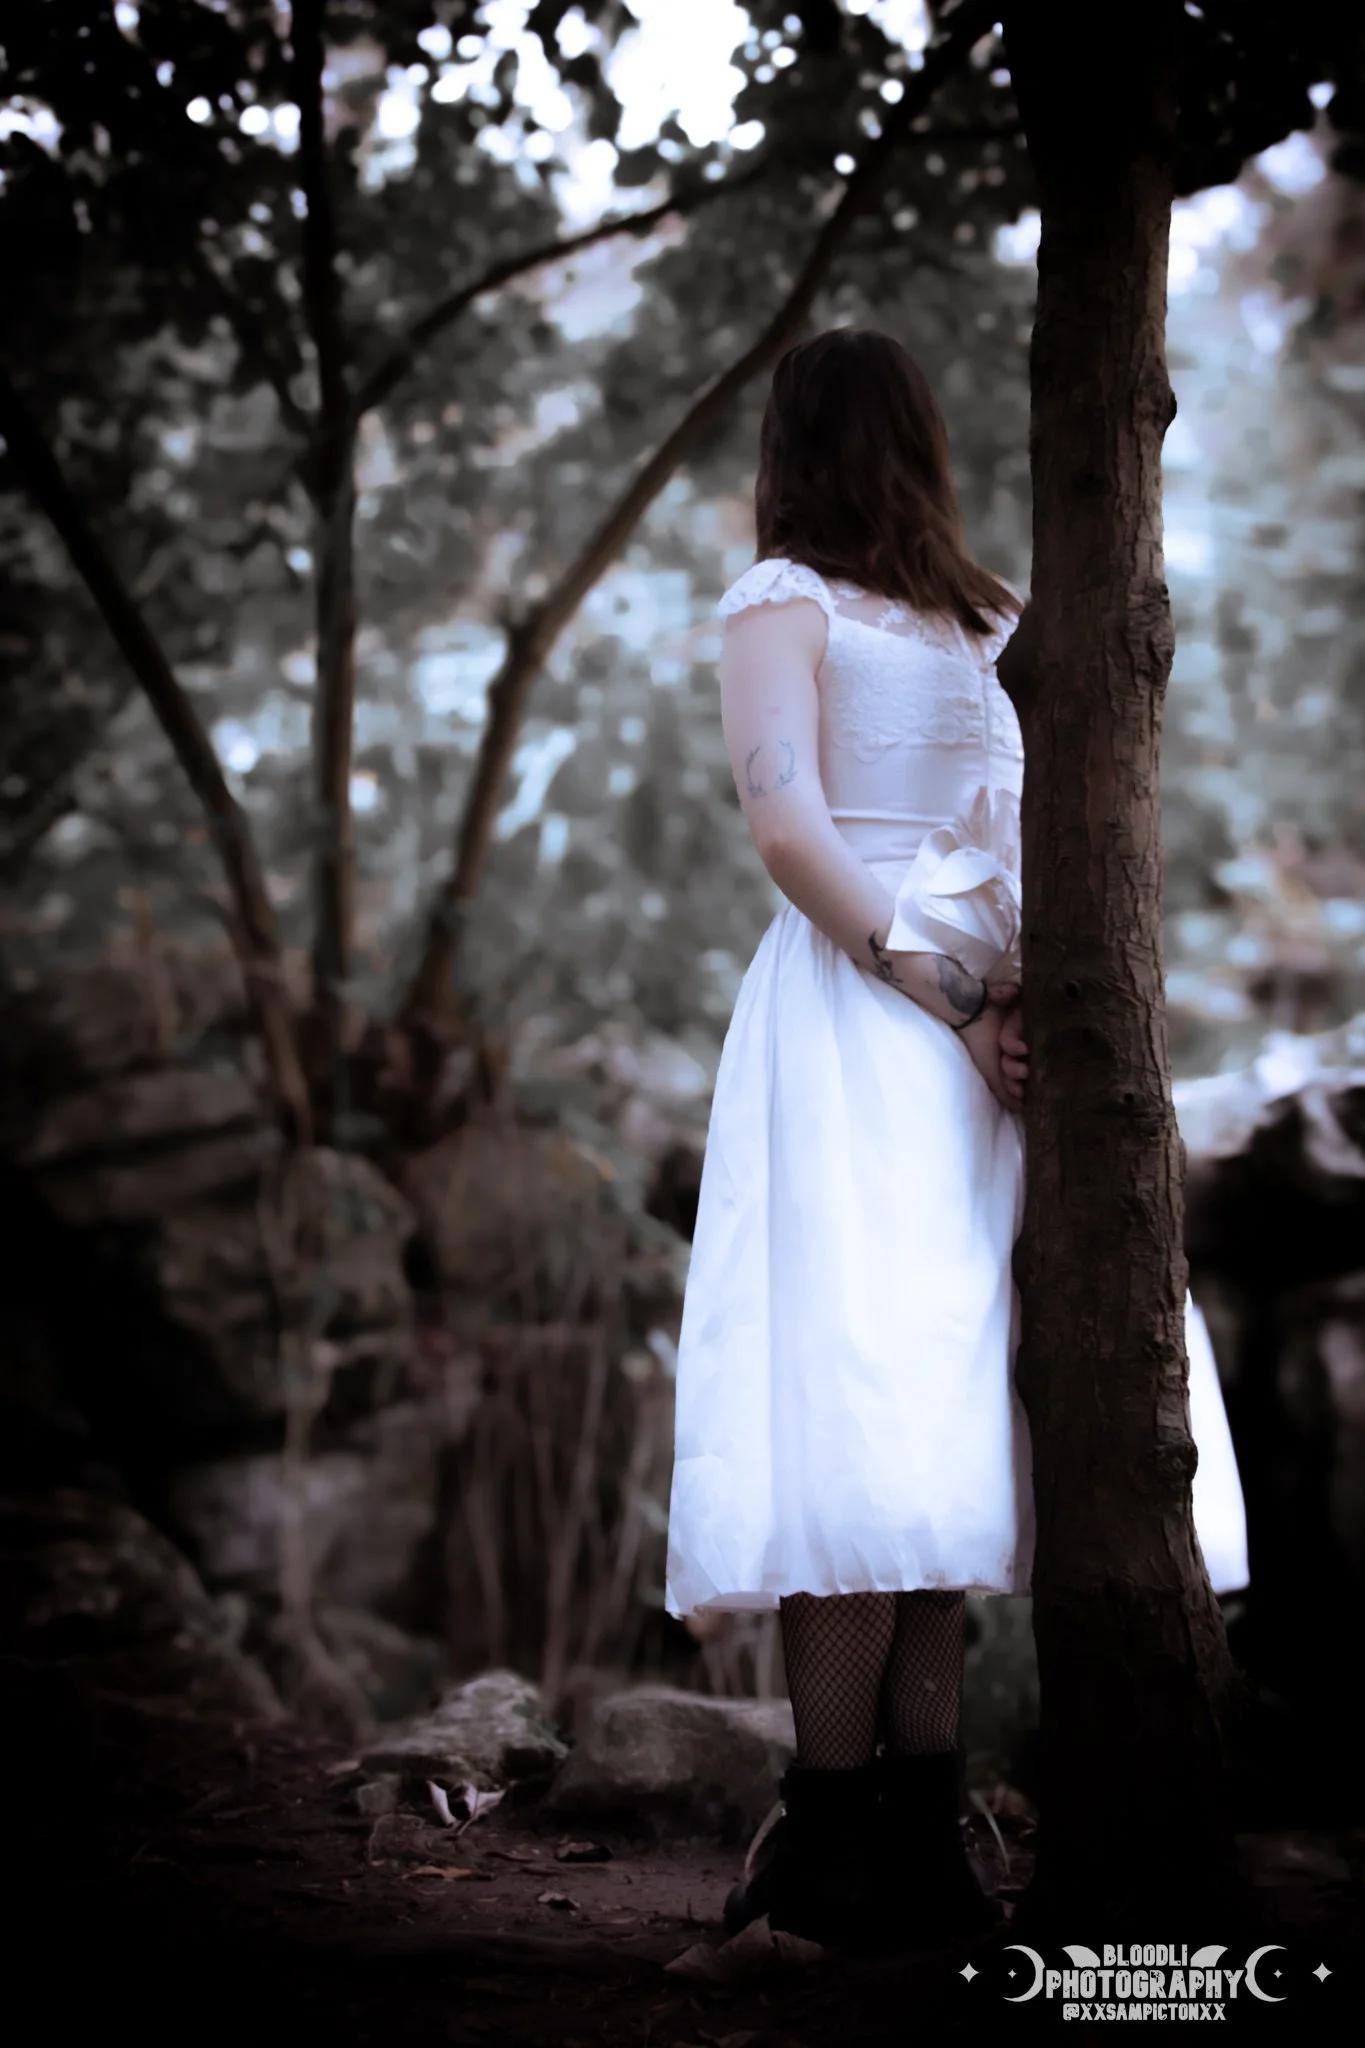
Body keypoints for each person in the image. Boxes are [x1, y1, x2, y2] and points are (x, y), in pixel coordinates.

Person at [663, 327, 1248, 1953]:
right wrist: (938, 981)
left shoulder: (992, 619)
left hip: (975, 1038)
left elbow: (1009, 830)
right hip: (869, 1027)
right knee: (862, 1394)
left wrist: (1016, 1009)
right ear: (920, 439)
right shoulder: (803, 605)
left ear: (792, 446)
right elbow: (791, 827)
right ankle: (835, 1827)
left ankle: (914, 1838)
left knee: (936, 1413)